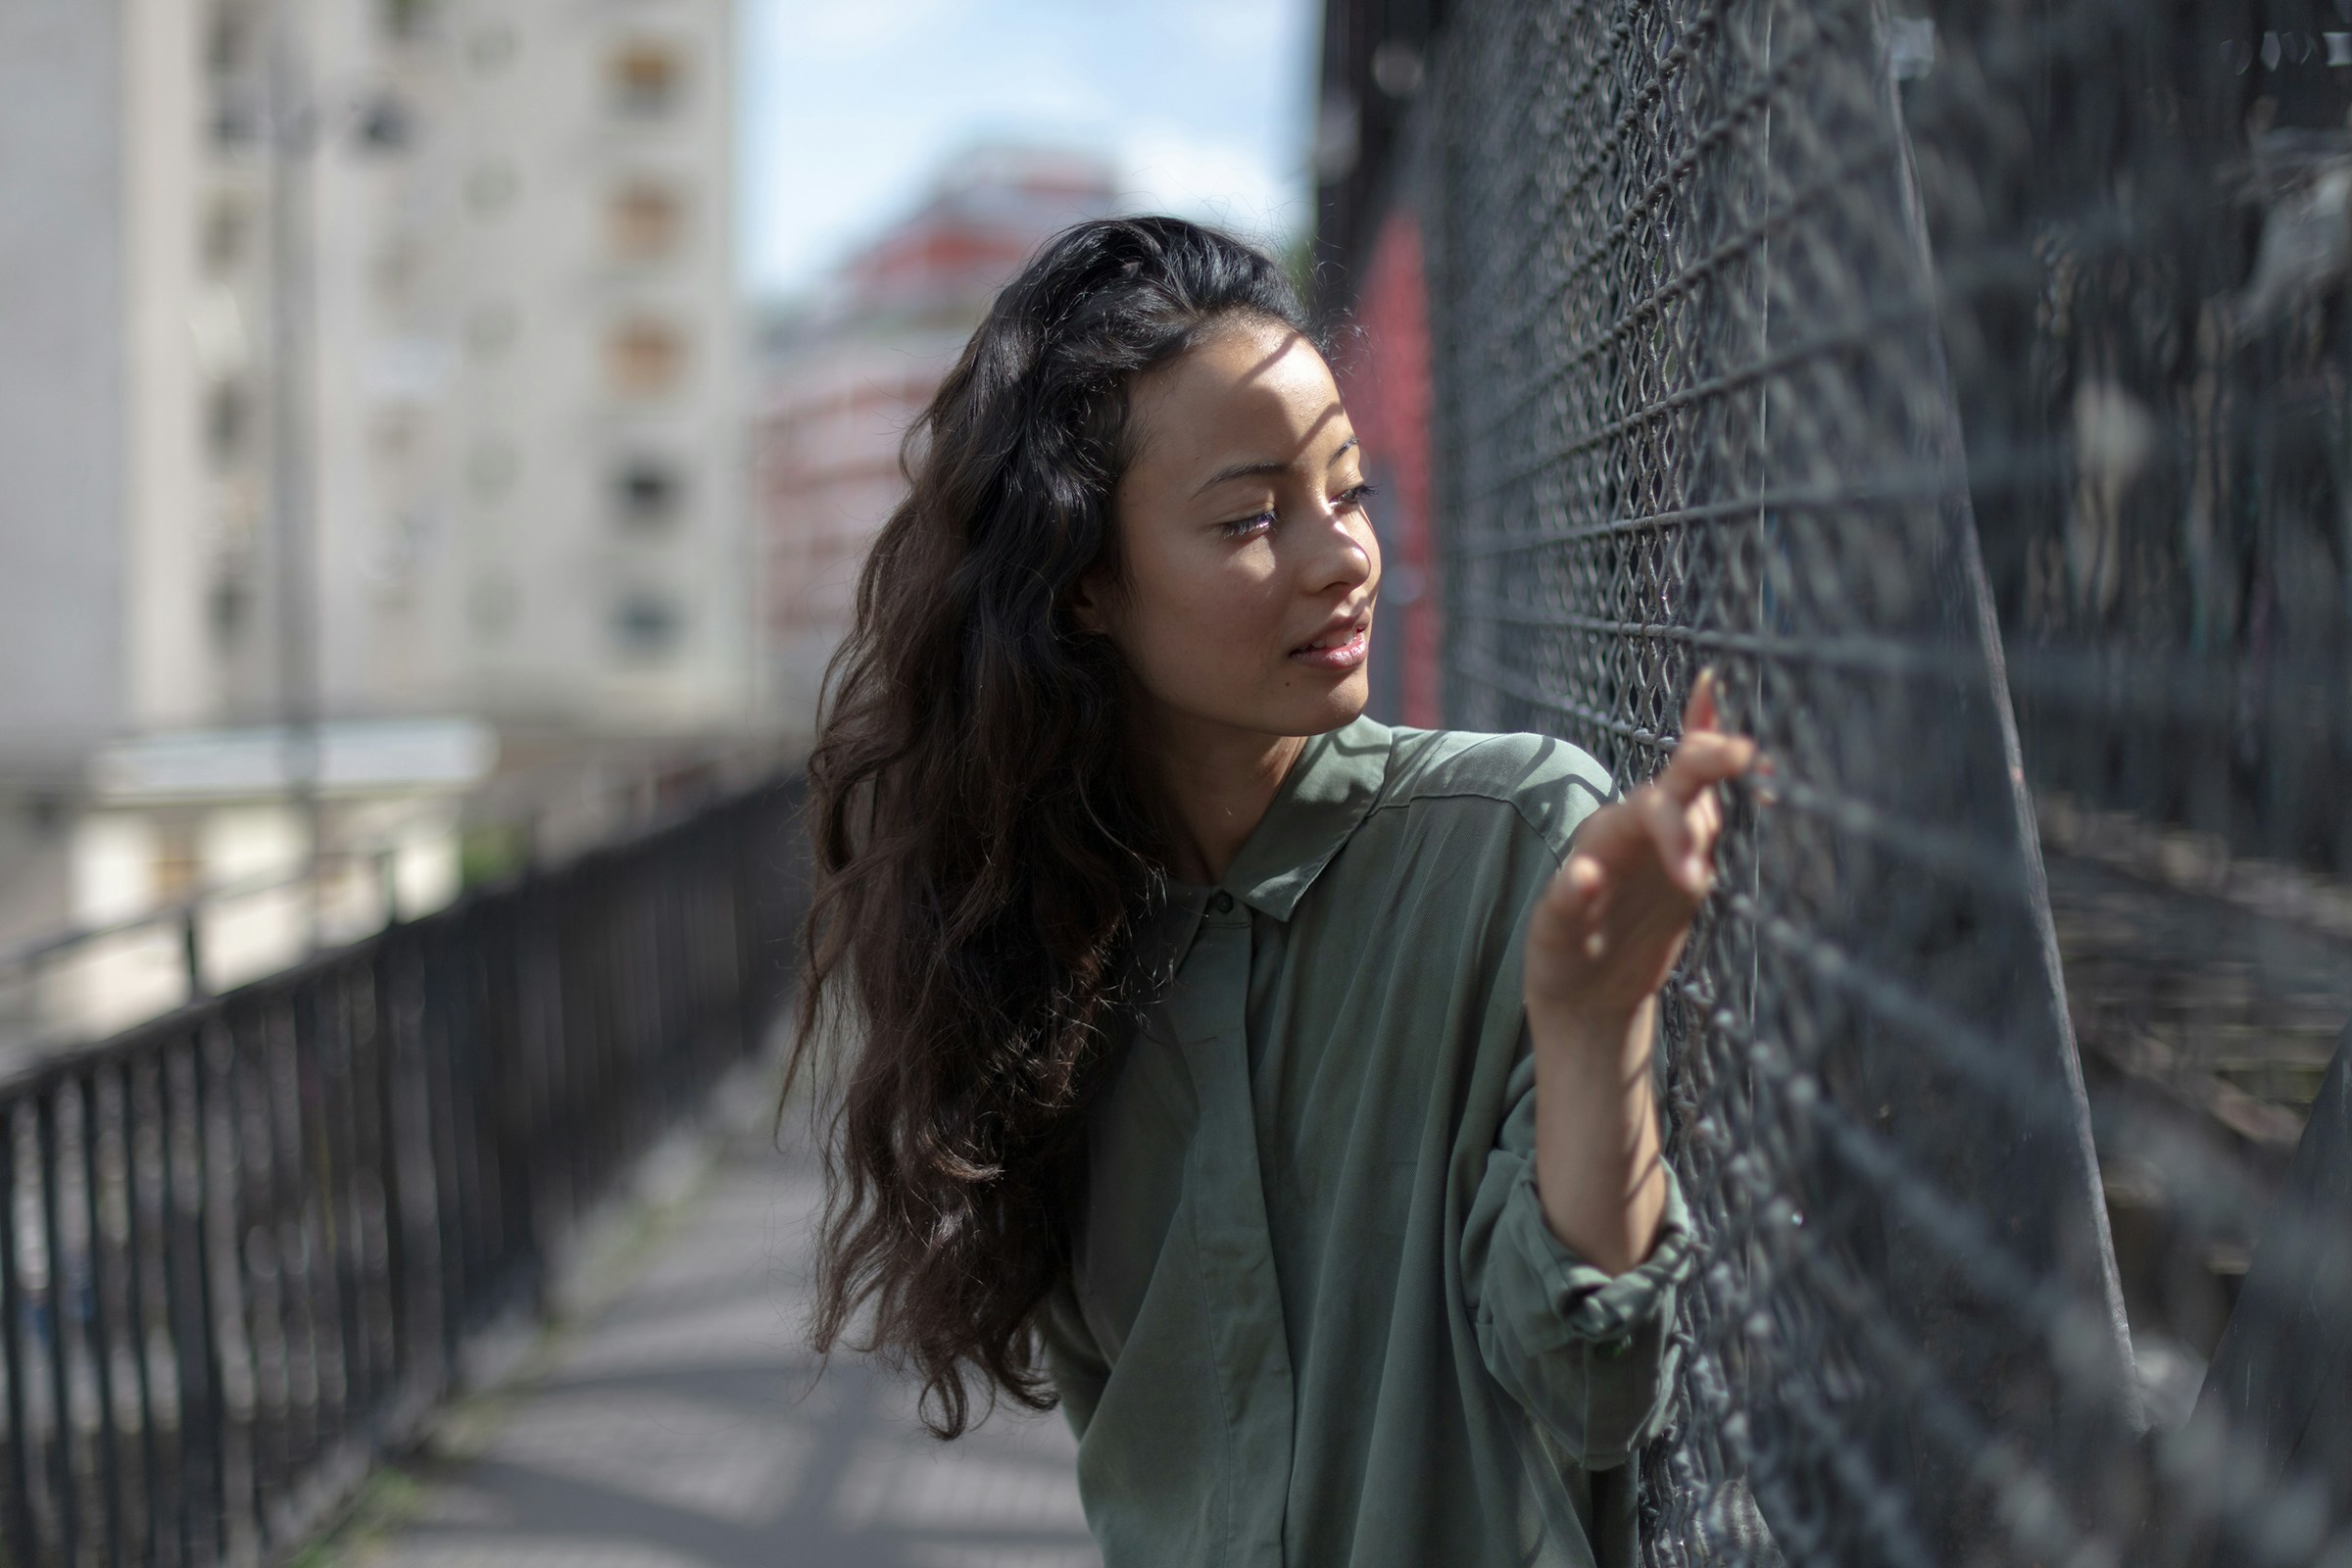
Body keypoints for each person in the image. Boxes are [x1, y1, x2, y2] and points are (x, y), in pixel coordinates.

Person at [786, 216, 1755, 1567]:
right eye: (1251, 517)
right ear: (1082, 588)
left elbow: (1594, 1391)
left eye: (1347, 490)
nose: (1340, 556)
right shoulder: (1035, 957)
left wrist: (1596, 1029)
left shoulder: (1515, 841)